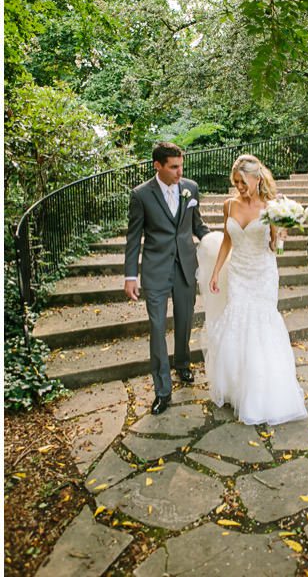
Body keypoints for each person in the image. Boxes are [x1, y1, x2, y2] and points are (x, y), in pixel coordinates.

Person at [198, 154, 308, 426]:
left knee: (262, 325)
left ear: (257, 179)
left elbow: (275, 249)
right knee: (237, 323)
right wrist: (215, 272)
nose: (239, 187)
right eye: (235, 182)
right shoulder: (229, 205)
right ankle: (239, 388)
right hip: (238, 272)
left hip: (262, 273)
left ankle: (264, 393)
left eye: (243, 181)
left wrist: (281, 236)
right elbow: (227, 240)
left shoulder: (271, 208)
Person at [124, 143, 210, 415]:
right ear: (157, 166)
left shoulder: (191, 188)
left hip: (186, 266)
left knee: (185, 321)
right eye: (173, 166)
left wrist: (217, 243)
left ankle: (183, 366)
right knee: (157, 329)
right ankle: (162, 391)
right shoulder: (141, 195)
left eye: (180, 165)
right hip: (156, 270)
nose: (179, 171)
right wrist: (130, 275)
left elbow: (197, 226)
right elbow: (133, 237)